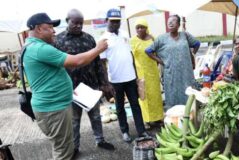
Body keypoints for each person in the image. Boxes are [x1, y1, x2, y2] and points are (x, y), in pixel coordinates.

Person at [24, 13, 108, 159]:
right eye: (49, 28)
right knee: (63, 151)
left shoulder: (32, 46)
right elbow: (76, 61)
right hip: (54, 109)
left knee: (62, 147)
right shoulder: (40, 49)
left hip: (60, 102)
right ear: (38, 29)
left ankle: (97, 140)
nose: (53, 31)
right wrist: (98, 49)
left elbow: (50, 75)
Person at [54, 9, 115, 155]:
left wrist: (104, 82)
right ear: (67, 20)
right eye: (75, 22)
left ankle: (100, 140)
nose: (78, 26)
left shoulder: (89, 39)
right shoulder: (58, 41)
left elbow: (97, 62)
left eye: (81, 23)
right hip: (71, 89)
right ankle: (75, 147)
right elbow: (56, 67)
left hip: (90, 87)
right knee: (74, 121)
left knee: (95, 116)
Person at [99, 8, 148, 142]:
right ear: (106, 21)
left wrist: (136, 75)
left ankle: (141, 131)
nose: (115, 24)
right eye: (113, 21)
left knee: (135, 105)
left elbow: (130, 55)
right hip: (115, 80)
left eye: (118, 21)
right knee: (120, 107)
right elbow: (102, 63)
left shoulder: (125, 34)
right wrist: (106, 83)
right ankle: (125, 131)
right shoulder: (103, 39)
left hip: (131, 78)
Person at [145, 14, 200, 108]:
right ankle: (174, 116)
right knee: (172, 94)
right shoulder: (161, 38)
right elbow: (148, 51)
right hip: (171, 74)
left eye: (173, 21)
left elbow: (197, 43)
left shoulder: (185, 35)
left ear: (178, 24)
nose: (170, 22)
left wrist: (191, 54)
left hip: (186, 73)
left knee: (188, 92)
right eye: (168, 21)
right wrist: (161, 61)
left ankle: (189, 114)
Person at [130, 18, 164, 128]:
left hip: (153, 72)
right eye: (137, 27)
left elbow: (157, 53)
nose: (140, 29)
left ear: (146, 28)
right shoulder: (133, 41)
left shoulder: (152, 38)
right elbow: (131, 58)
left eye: (142, 27)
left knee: (156, 95)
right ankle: (147, 120)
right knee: (144, 97)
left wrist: (157, 65)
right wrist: (134, 74)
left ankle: (158, 118)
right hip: (141, 73)